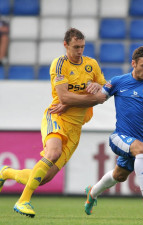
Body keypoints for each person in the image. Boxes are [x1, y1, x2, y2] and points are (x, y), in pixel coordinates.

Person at [0, 28, 107, 217]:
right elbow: (64, 98)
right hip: (56, 117)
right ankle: (23, 201)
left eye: (82, 47)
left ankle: (6, 173)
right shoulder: (59, 65)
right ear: (65, 45)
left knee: (43, 178)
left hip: (76, 128)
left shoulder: (92, 65)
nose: (80, 51)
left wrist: (99, 86)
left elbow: (105, 91)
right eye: (75, 47)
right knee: (53, 152)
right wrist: (93, 99)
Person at [84, 46, 143, 216]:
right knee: (142, 149)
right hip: (119, 137)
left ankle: (92, 192)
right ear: (133, 63)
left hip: (139, 140)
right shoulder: (118, 81)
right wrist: (91, 87)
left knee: (119, 175)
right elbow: (98, 98)